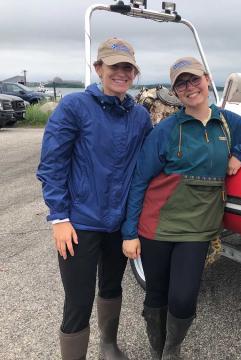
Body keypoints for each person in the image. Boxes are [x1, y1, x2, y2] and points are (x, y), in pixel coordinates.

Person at [121, 56, 241, 359]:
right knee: (156, 294)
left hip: (198, 228)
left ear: (207, 79)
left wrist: (240, 153)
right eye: (182, 84)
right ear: (176, 92)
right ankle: (158, 351)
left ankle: (173, 348)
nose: (190, 88)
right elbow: (139, 180)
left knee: (183, 298)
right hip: (157, 226)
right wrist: (129, 232)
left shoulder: (227, 123)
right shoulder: (165, 130)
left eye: (194, 80)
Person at [37, 37, 152, 360]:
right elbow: (52, 165)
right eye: (114, 66)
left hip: (118, 224)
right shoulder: (75, 106)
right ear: (99, 68)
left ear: (134, 73)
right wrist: (59, 218)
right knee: (78, 300)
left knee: (112, 286)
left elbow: (147, 166)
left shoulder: (140, 116)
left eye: (127, 67)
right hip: (80, 223)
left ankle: (108, 345)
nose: (121, 73)